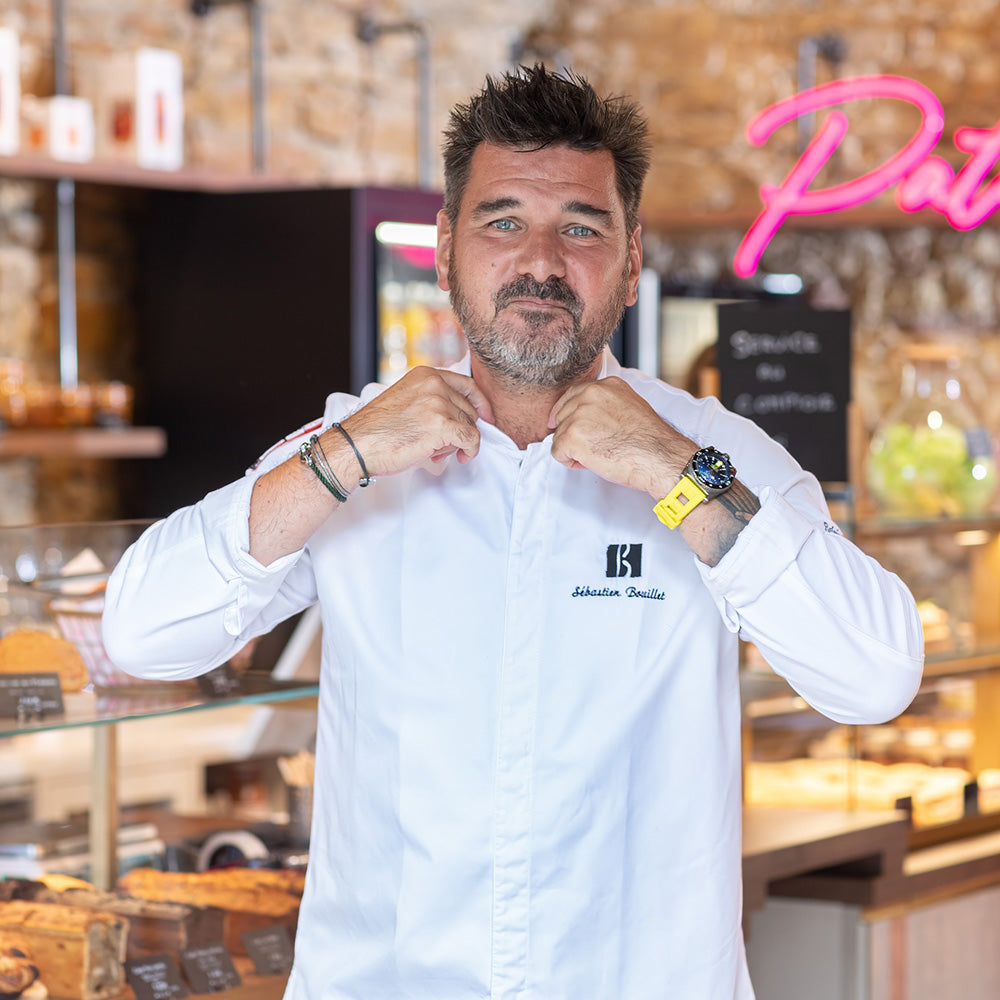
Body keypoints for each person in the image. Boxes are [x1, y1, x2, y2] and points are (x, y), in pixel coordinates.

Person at [103, 65, 924, 1000]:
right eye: (502, 222)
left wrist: (672, 471)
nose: (541, 261)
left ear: (631, 259)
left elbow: (875, 675)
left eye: (581, 227)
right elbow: (142, 633)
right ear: (445, 249)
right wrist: (349, 453)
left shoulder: (711, 452)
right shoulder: (354, 444)